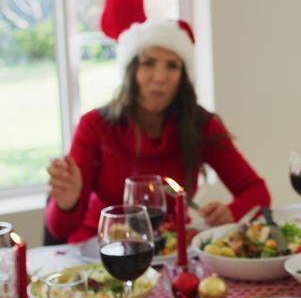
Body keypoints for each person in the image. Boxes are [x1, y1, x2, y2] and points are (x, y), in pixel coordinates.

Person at [45, 19, 271, 243]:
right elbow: (58, 228)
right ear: (132, 70)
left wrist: (231, 211)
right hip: (101, 250)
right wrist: (67, 203)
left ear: (183, 76)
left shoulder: (201, 124)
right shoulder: (94, 126)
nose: (160, 77)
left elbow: (257, 191)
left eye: (172, 66)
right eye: (148, 63)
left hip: (170, 250)